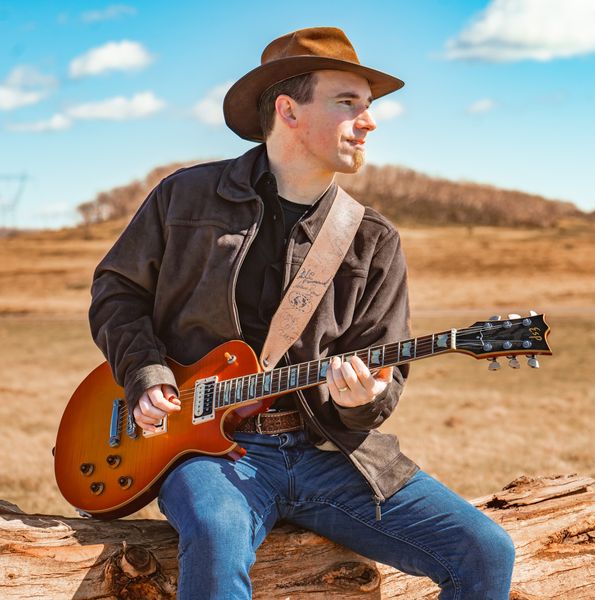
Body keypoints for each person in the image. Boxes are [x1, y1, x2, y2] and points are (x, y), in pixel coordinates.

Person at [89, 26, 515, 599]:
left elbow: (384, 376)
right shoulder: (184, 197)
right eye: (348, 103)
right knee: (216, 532)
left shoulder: (372, 238)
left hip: (327, 454)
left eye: (368, 106)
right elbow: (117, 291)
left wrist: (362, 400)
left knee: (486, 551)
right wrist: (146, 374)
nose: (369, 122)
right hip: (202, 450)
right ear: (288, 110)